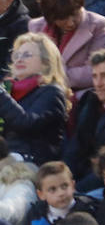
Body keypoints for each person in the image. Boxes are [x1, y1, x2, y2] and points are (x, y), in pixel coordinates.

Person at [0, 31, 68, 165]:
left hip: (31, 163)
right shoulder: (8, 90)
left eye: (27, 55)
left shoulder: (52, 92)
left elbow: (27, 123)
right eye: (17, 55)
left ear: (46, 62)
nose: (19, 59)